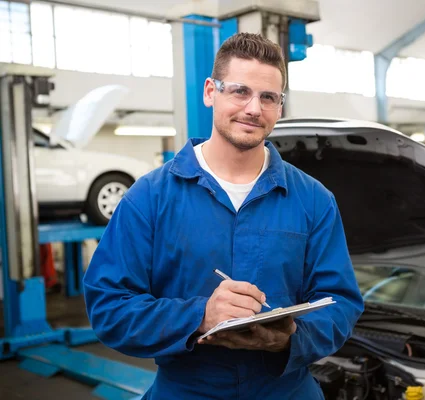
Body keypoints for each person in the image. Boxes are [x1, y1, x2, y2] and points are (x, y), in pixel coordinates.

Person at [83, 32, 364, 399]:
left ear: (280, 107)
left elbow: (340, 302)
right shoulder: (149, 198)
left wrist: (292, 337)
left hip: (286, 390)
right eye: (239, 91)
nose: (253, 108)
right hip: (186, 389)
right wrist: (200, 316)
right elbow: (109, 307)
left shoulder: (313, 200)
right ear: (210, 92)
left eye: (268, 97)